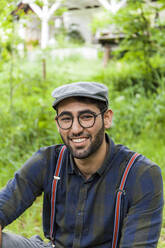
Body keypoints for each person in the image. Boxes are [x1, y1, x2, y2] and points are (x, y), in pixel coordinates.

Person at [0, 81, 163, 248]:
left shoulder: (141, 174)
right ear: (57, 124)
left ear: (106, 118)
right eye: (66, 119)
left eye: (86, 117)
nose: (76, 128)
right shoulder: (47, 161)